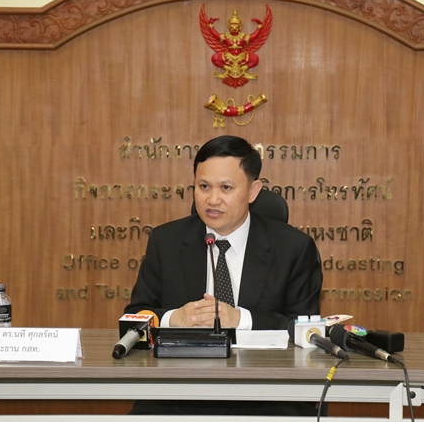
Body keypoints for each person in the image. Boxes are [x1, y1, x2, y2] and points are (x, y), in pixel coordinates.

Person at [125, 135, 323, 416]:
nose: (212, 199)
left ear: (253, 191)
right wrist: (173, 319)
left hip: (268, 392)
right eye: (204, 186)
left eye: (226, 188)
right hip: (179, 390)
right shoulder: (166, 241)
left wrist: (241, 320)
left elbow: (305, 329)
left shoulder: (294, 248)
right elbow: (134, 317)